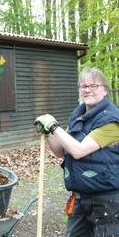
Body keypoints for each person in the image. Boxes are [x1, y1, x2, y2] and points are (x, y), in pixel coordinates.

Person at [34, 67, 119, 237]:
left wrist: (54, 126)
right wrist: (48, 132)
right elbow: (60, 151)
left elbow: (79, 151)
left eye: (93, 86)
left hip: (107, 200)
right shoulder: (77, 117)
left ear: (105, 90)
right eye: (83, 86)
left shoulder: (111, 120)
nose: (87, 90)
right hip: (81, 197)